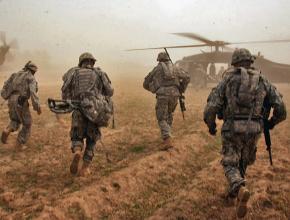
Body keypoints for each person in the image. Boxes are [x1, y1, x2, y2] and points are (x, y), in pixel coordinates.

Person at [203, 48, 286, 218]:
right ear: (250, 62)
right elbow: (281, 109)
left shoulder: (227, 80)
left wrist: (211, 126)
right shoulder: (263, 80)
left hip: (232, 128)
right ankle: (235, 194)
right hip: (254, 129)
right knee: (243, 160)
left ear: (234, 62)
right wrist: (271, 123)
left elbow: (211, 107)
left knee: (229, 163)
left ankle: (238, 187)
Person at [61, 52, 114, 176]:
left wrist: (69, 102)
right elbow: (110, 92)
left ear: (81, 62)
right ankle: (85, 169)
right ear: (92, 62)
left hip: (78, 109)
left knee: (76, 136)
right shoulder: (99, 73)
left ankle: (77, 151)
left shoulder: (73, 72)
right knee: (92, 140)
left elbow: (64, 91)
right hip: (94, 111)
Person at [143, 52, 190, 150]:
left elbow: (145, 83)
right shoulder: (175, 68)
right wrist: (181, 89)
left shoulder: (157, 69)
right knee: (169, 114)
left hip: (163, 96)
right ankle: (168, 136)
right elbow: (187, 78)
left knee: (161, 118)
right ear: (168, 59)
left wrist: (153, 89)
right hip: (175, 95)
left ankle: (167, 139)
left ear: (159, 60)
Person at [1, 61, 41, 148]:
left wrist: (5, 96)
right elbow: (33, 93)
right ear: (32, 70)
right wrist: (37, 107)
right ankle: (19, 143)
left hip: (11, 99)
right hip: (21, 101)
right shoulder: (30, 77)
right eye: (34, 71)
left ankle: (7, 130)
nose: (34, 73)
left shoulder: (15, 74)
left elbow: (6, 86)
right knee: (27, 123)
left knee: (15, 120)